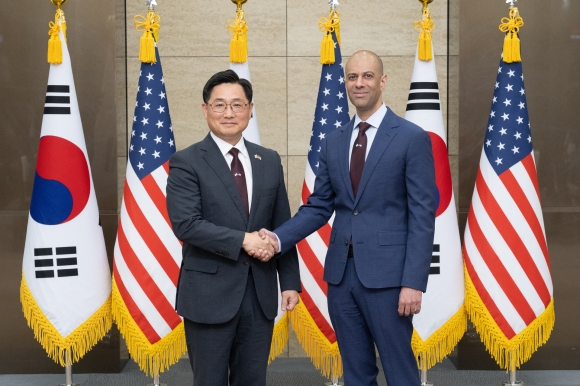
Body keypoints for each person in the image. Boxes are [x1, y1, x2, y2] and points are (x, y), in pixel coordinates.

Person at [257, 51, 436, 385]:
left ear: (382, 81)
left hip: (390, 279)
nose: (359, 83)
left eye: (368, 76)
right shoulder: (334, 141)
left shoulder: (412, 138)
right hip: (341, 278)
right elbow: (318, 206)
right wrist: (278, 239)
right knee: (355, 371)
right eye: (353, 77)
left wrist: (414, 281)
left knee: (400, 371)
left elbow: (423, 215)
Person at [166, 69, 301, 386]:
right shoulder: (187, 161)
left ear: (250, 109)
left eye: (238, 105)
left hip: (259, 293)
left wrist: (290, 281)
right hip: (208, 295)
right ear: (205, 110)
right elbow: (187, 224)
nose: (229, 113)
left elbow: (282, 224)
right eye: (219, 105)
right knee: (210, 380)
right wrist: (244, 239)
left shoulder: (268, 159)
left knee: (253, 380)